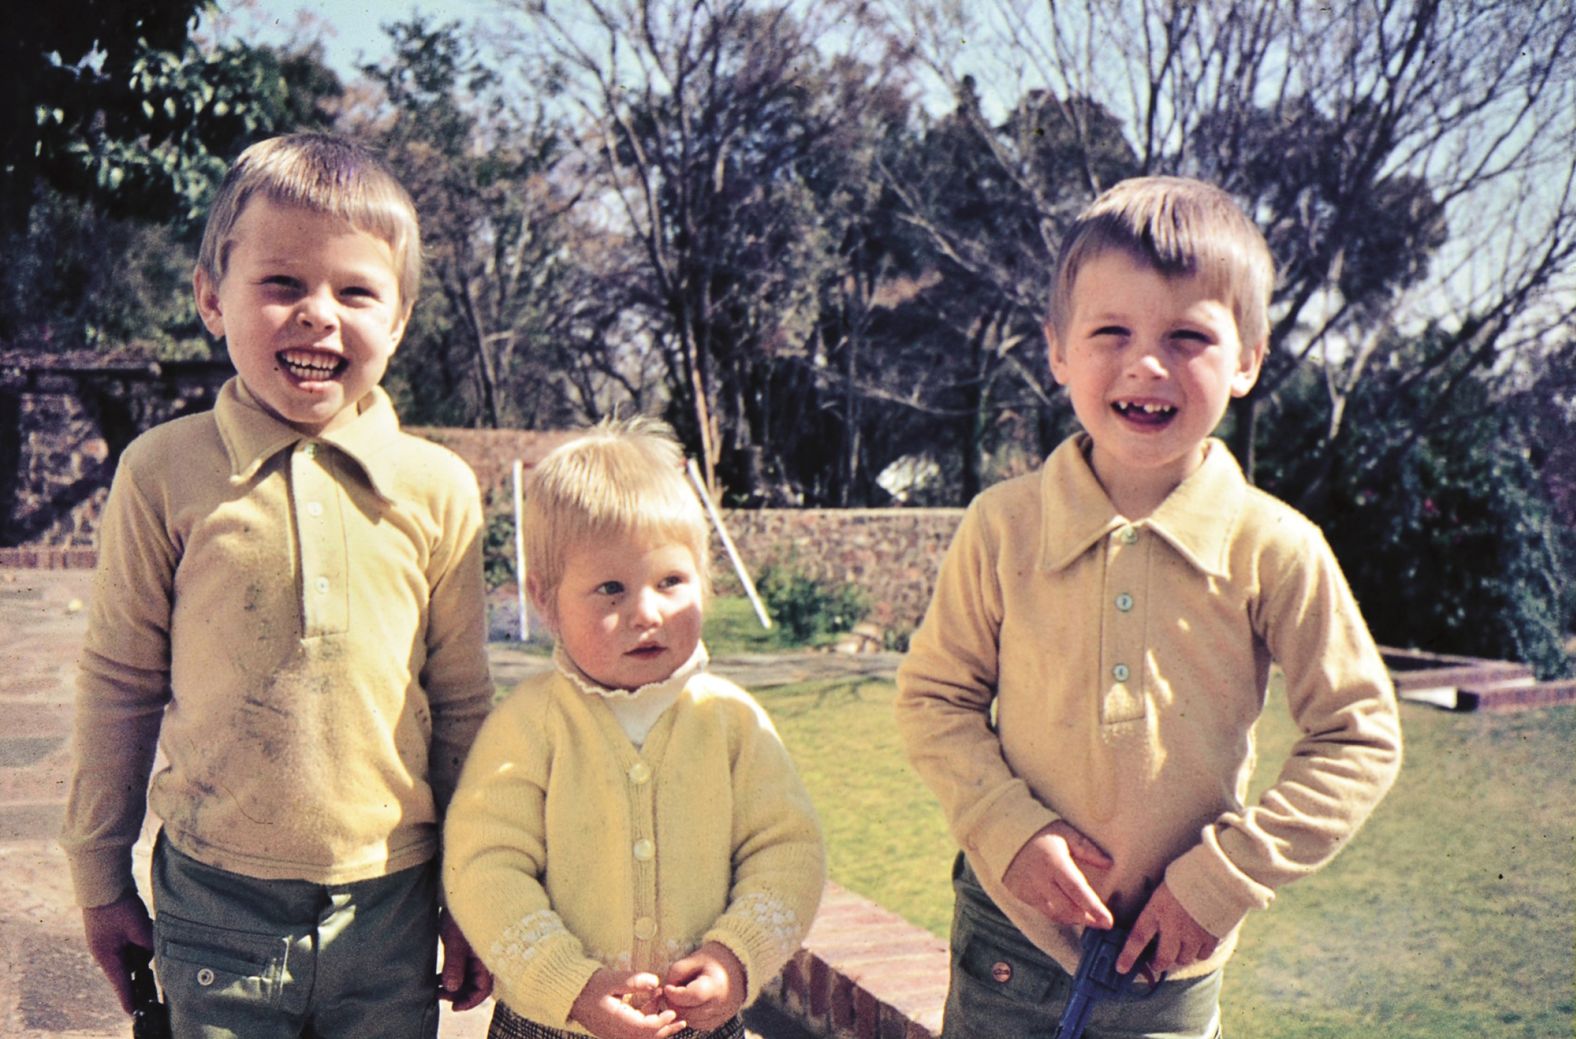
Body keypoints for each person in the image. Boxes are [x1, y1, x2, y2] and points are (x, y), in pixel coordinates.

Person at [894, 175, 1403, 1039]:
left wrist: (1219, 883)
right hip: (1006, 942)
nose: (1146, 363)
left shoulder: (1275, 546)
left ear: (1246, 358)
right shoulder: (1001, 527)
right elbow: (933, 701)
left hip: (1172, 963)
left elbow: (1359, 736)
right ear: (1058, 350)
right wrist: (1007, 829)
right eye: (1111, 332)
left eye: (1187, 336)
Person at [60, 132, 495, 1036]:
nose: (318, 315)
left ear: (401, 317)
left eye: (356, 291)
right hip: (216, 900)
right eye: (282, 284)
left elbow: (460, 702)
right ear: (212, 299)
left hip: (392, 901)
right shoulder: (163, 472)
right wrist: (99, 874)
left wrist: (478, 886)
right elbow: (120, 681)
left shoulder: (437, 489)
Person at [443, 417, 826, 1039]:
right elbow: (485, 866)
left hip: (698, 1022)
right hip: (553, 1023)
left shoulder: (732, 722)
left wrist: (736, 957)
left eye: (671, 582)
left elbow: (787, 851)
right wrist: (569, 983)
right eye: (611, 589)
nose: (646, 613)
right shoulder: (528, 725)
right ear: (546, 601)